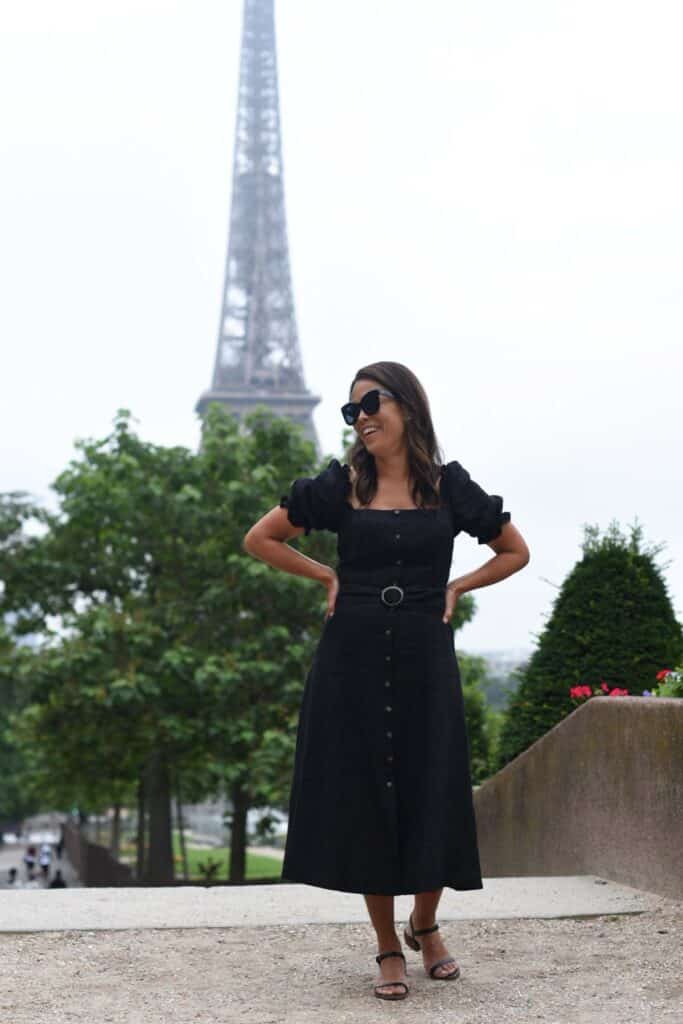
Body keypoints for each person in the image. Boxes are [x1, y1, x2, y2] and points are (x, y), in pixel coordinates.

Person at [242, 361, 530, 1001]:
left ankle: (424, 922)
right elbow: (261, 538)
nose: (362, 416)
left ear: (407, 405)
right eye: (352, 410)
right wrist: (325, 575)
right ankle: (385, 945)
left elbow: (515, 551)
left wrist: (460, 584)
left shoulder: (449, 486)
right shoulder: (339, 486)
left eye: (372, 402)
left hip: (427, 655)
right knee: (371, 792)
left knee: (434, 784)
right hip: (353, 658)